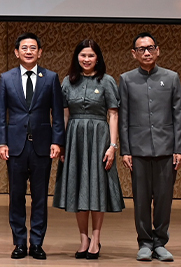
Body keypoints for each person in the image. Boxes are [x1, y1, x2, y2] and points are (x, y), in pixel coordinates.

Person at [53, 39, 124, 260]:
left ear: (97, 58)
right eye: (83, 55)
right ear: (77, 57)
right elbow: (64, 115)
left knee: (97, 188)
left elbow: (113, 114)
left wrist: (113, 146)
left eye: (91, 55)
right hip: (74, 139)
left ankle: (96, 238)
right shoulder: (68, 81)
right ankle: (83, 238)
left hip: (99, 139)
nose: (86, 59)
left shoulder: (107, 81)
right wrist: (61, 143)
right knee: (78, 187)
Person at [0, 32, 65, 260]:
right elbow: (1, 114)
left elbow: (57, 113)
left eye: (33, 48)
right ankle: (19, 243)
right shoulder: (6, 78)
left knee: (40, 197)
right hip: (15, 146)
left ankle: (36, 243)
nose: (28, 51)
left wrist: (57, 141)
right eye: (24, 48)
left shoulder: (51, 77)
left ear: (40, 52)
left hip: (42, 146)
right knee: (16, 196)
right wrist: (1, 142)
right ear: (16, 52)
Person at [119, 32, 181, 262]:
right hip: (138, 150)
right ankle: (145, 242)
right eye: (141, 49)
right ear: (133, 53)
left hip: (166, 148)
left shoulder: (171, 77)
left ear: (158, 50)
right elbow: (124, 117)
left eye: (150, 48)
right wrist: (125, 150)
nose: (146, 52)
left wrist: (179, 148)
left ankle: (160, 242)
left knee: (164, 199)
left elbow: (178, 115)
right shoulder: (126, 79)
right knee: (141, 199)